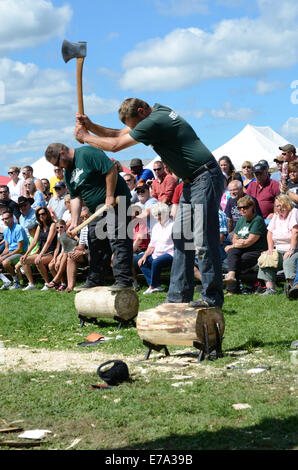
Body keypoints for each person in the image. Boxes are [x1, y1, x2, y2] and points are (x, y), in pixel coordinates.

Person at [75, 98, 224, 307]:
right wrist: (91, 127)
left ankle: (212, 296)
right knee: (181, 238)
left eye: (134, 125)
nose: (134, 130)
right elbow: (119, 134)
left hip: (204, 177)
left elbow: (116, 145)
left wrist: (86, 137)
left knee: (202, 240)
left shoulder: (155, 121)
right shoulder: (156, 113)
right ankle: (178, 297)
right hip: (192, 181)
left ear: (141, 111)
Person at [45, 142, 133, 290]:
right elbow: (75, 197)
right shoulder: (68, 172)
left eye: (58, 164)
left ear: (62, 154)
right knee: (95, 244)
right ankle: (95, 279)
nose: (59, 168)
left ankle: (124, 281)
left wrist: (110, 195)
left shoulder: (87, 153)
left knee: (119, 242)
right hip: (96, 211)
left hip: (118, 203)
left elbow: (110, 169)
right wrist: (74, 221)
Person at [223, 196, 268, 295]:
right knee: (233, 253)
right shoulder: (241, 220)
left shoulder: (258, 220)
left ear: (252, 207)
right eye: (239, 208)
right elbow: (234, 238)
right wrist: (236, 244)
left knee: (237, 259)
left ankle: (232, 289)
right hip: (242, 249)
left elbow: (249, 241)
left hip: (256, 250)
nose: (242, 210)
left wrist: (234, 245)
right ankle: (232, 278)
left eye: (245, 207)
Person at [257, 195, 298, 295]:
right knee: (266, 258)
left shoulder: (294, 212)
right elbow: (269, 233)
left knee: (289, 259)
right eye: (277, 206)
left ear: (288, 204)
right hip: (278, 249)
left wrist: (291, 249)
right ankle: (271, 289)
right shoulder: (276, 215)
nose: (279, 208)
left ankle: (292, 287)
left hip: (294, 248)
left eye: (282, 205)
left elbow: (295, 231)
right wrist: (270, 249)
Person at [135, 202, 174, 295]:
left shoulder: (173, 226)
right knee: (142, 262)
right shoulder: (156, 227)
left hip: (171, 253)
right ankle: (156, 286)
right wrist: (144, 256)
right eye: (156, 215)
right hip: (157, 253)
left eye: (160, 215)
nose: (158, 217)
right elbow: (152, 245)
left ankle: (152, 286)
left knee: (156, 262)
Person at [20, 207, 57, 291]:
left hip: (51, 252)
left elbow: (48, 241)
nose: (41, 216)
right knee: (23, 260)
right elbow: (34, 242)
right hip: (42, 252)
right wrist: (26, 254)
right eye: (39, 214)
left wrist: (40, 255)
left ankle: (47, 283)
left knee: (38, 261)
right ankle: (32, 284)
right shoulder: (39, 226)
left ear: (47, 214)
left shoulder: (53, 225)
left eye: (43, 213)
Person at [0, 209, 29, 290]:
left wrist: (5, 256)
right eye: (3, 219)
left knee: (5, 262)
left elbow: (19, 249)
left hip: (21, 253)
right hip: (12, 252)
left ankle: (16, 281)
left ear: (12, 218)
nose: (4, 220)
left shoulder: (18, 228)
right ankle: (6, 281)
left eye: (6, 218)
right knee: (1, 259)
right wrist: (2, 255)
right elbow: (7, 248)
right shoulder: (6, 230)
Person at [65, 207, 90, 292]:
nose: (85, 219)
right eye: (82, 217)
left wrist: (82, 252)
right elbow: (81, 246)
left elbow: (99, 249)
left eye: (87, 216)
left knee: (91, 257)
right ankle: (70, 286)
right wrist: (71, 248)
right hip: (88, 253)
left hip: (98, 254)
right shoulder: (84, 228)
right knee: (71, 256)